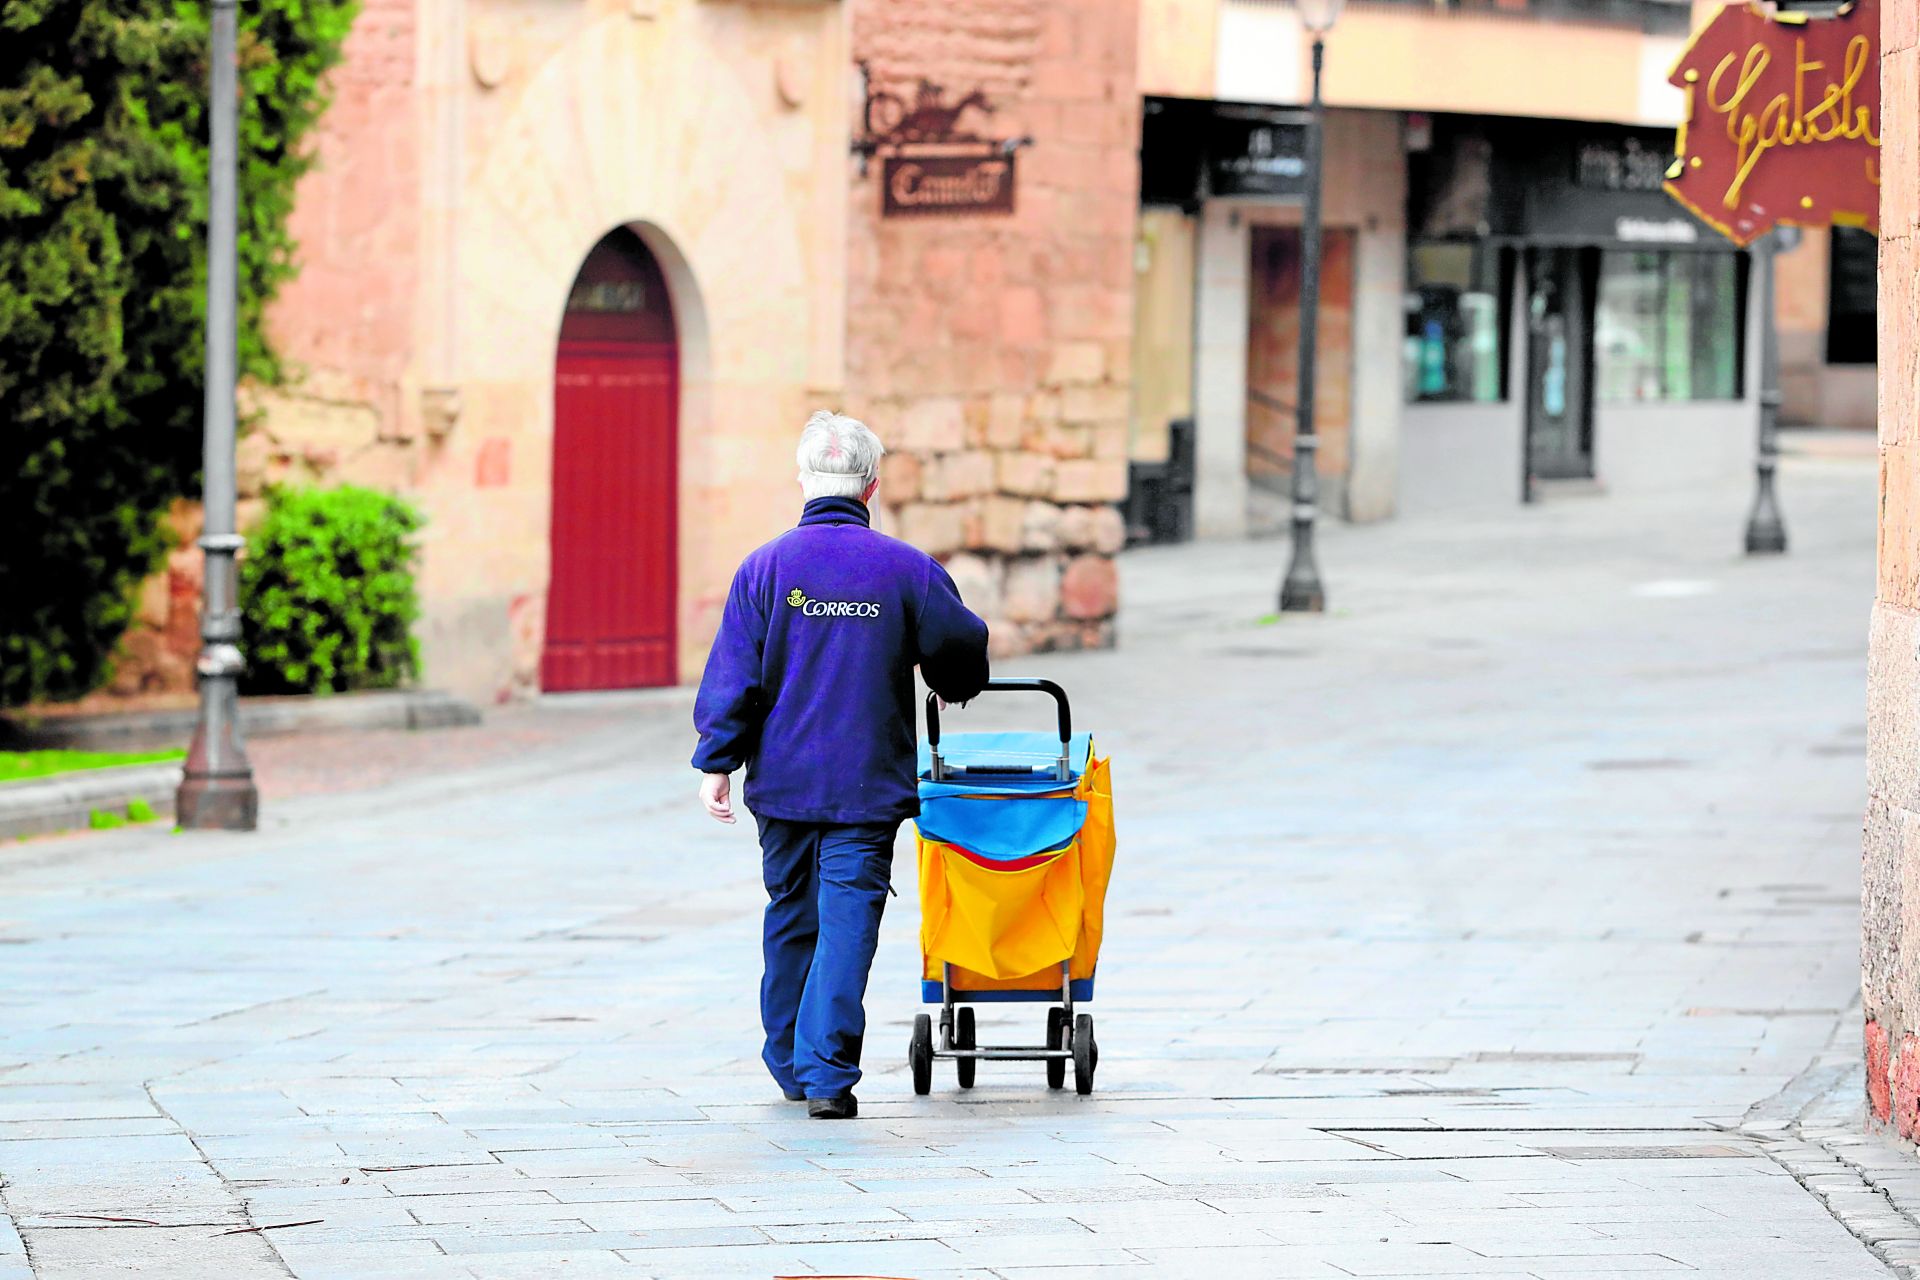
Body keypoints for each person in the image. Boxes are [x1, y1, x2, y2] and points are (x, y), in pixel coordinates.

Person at [692, 410, 990, 1119]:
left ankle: (791, 1062)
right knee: (849, 920)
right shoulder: (907, 570)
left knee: (791, 913)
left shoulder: (764, 569)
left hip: (784, 783)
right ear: (872, 486)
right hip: (866, 786)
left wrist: (717, 760)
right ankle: (827, 1075)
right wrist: (951, 687)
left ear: (802, 481)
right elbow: (961, 646)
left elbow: (734, 674)